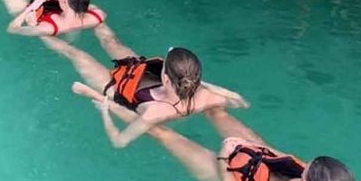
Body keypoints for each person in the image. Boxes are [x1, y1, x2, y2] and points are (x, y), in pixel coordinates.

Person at [75, 82, 361, 181]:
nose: (303, 171)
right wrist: (250, 146)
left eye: (305, 178)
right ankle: (177, 88)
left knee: (162, 135)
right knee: (215, 110)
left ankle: (101, 99)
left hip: (226, 179)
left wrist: (223, 155)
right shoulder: (322, 180)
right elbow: (285, 158)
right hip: (258, 162)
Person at [40, 31, 247, 147]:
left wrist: (101, 106)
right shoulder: (207, 97)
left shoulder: (155, 113)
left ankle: (39, 30)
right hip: (137, 70)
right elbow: (240, 103)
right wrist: (228, 93)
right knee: (108, 38)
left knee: (73, 53)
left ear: (166, 78)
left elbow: (119, 141)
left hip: (116, 88)